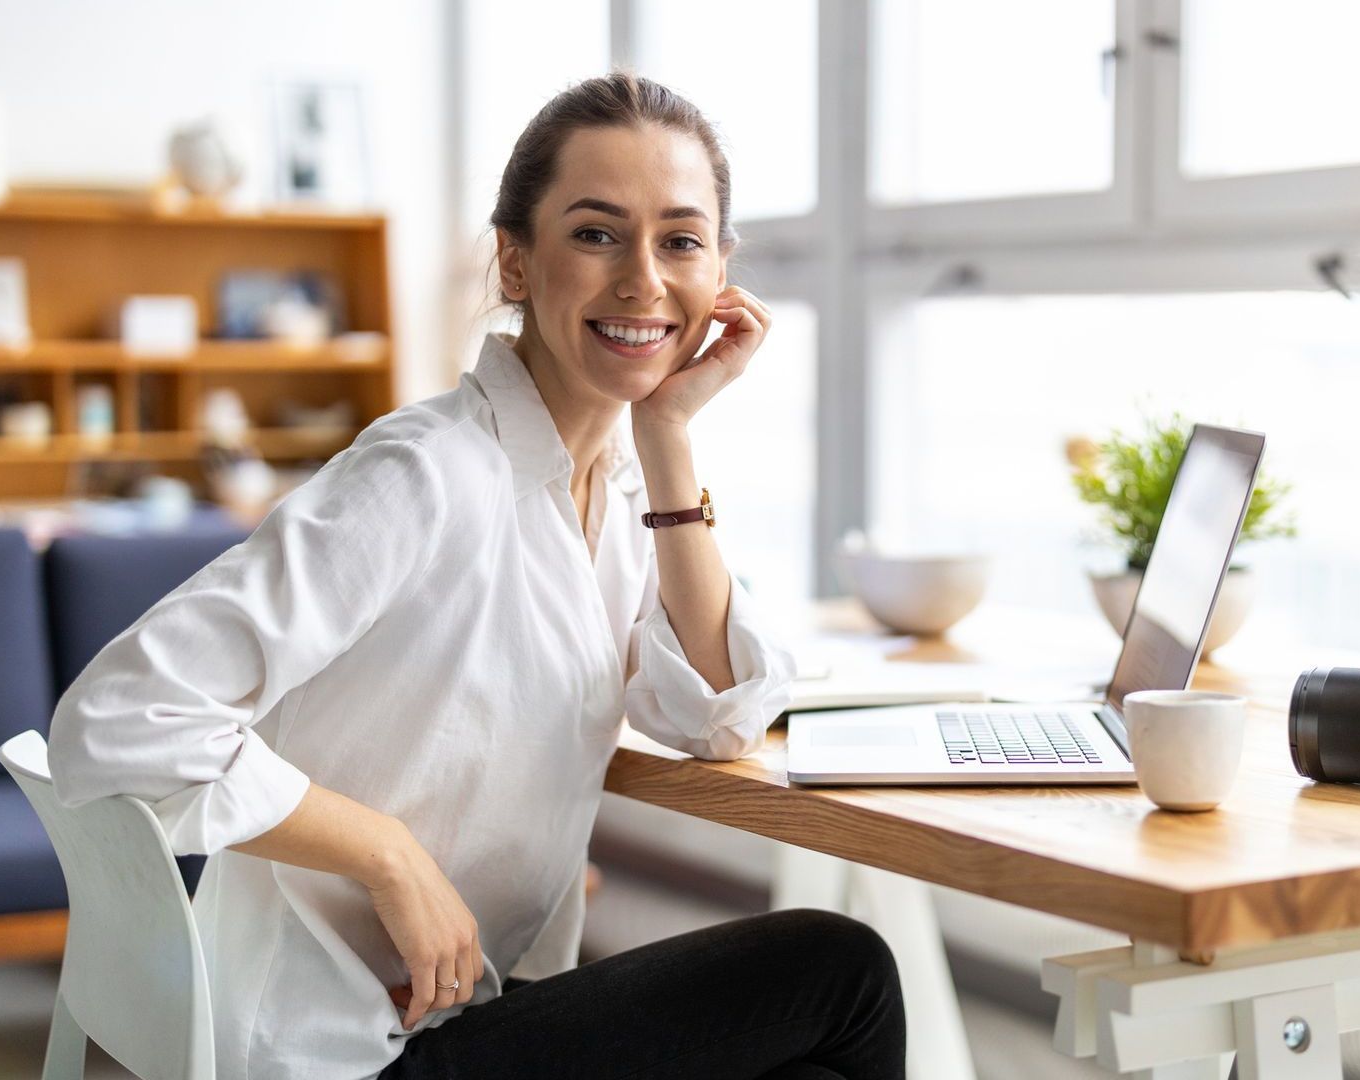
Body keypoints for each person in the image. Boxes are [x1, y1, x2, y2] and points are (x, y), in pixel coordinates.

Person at [47, 72, 905, 1080]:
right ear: (515, 260)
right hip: (340, 1054)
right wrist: (389, 854)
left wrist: (668, 433)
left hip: (471, 1013)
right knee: (841, 972)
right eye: (595, 233)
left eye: (680, 240)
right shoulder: (426, 472)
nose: (642, 278)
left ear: (720, 273)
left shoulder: (618, 485)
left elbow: (719, 710)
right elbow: (114, 715)